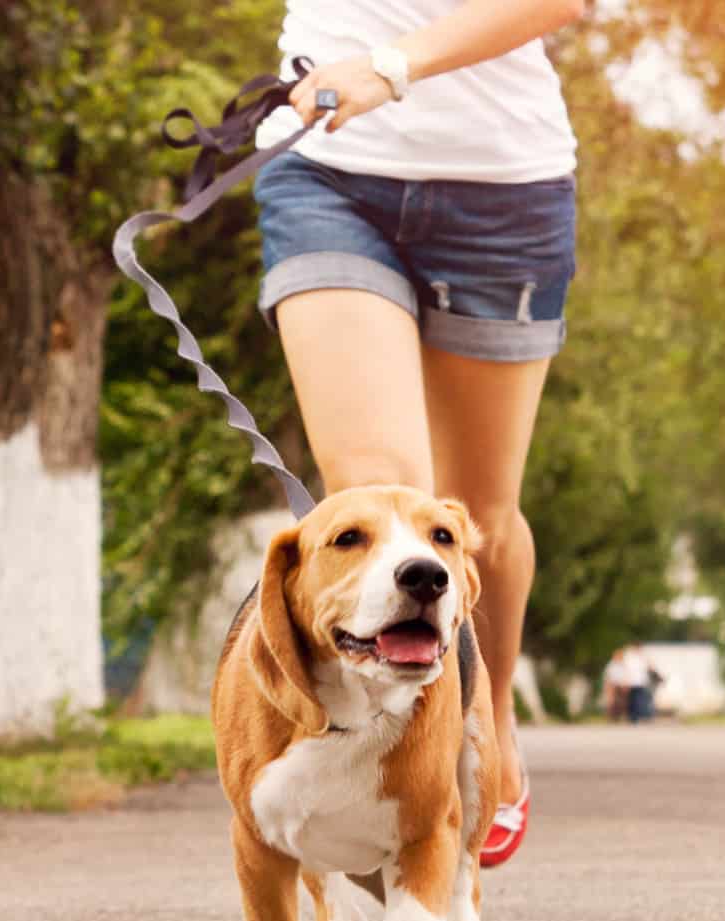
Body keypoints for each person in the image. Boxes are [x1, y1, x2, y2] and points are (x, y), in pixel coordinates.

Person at [251, 0, 586, 868]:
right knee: (379, 502)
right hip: (326, 171)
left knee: (475, 518)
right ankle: (393, 783)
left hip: (503, 189)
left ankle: (490, 712)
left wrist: (391, 66)